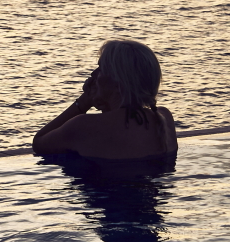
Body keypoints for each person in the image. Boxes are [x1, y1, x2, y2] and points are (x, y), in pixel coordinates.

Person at [32, 38, 177, 164]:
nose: (94, 74)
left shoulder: (83, 126)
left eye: (101, 69)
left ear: (117, 82)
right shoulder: (164, 119)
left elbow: (39, 143)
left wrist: (83, 102)